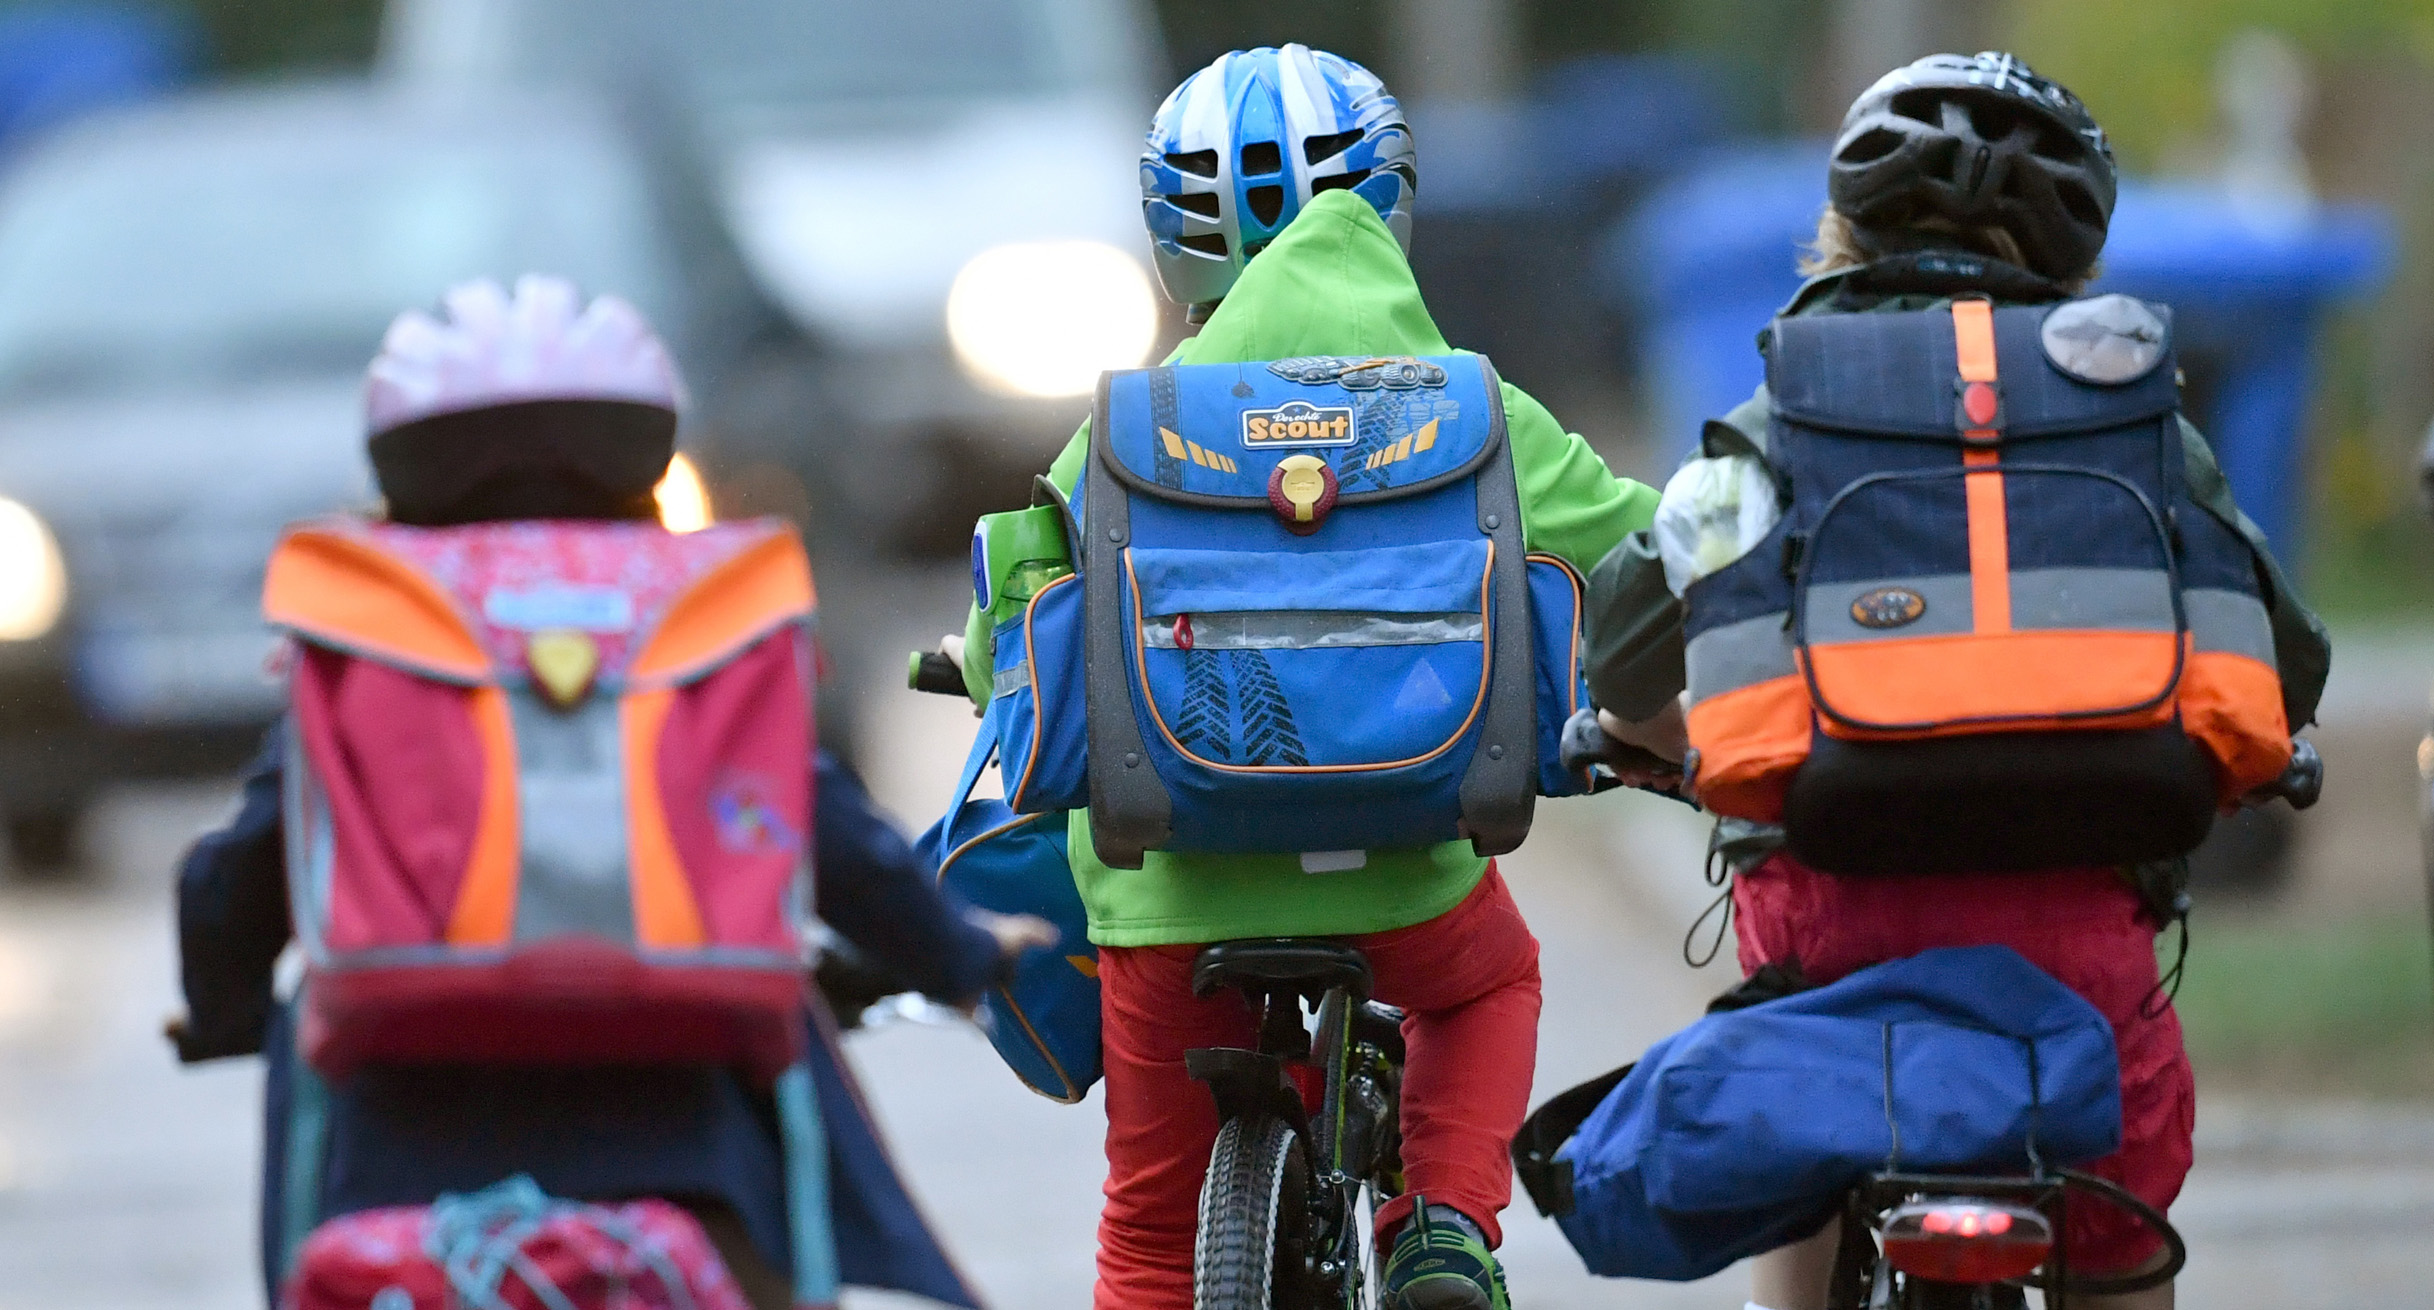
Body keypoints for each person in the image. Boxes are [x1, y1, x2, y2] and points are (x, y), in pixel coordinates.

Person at [1578, 53, 2332, 1310]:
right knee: (2119, 1199)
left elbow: (1626, 638)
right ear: (2072, 256)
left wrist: (1644, 730)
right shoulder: (2134, 421)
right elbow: (2285, 657)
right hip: (2077, 940)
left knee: (1805, 1123)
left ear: (1842, 230)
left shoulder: (1787, 411)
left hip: (1834, 923)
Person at [171, 276, 1051, 1310]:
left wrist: (225, 1008)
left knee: (304, 1046)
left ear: (402, 467)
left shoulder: (377, 624)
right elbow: (820, 827)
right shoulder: (699, 611)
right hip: (690, 1157)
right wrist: (958, 952)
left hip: (397, 1158)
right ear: (644, 455)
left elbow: (237, 873)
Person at [955, 44, 1659, 1310]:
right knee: (1490, 980)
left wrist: (969, 660)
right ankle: (1443, 1221)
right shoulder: (1475, 412)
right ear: (1388, 201)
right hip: (1407, 874)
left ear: (1176, 240)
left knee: (1150, 1237)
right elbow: (1642, 554)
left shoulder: (1125, 427)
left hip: (1170, 891)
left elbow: (1010, 616)